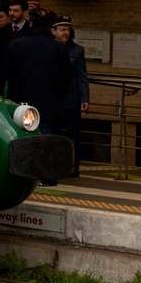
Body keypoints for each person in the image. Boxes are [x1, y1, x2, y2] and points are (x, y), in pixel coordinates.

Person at [0, 22, 76, 136]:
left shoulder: (15, 44)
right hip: (49, 106)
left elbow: (6, 73)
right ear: (50, 29)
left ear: (30, 23)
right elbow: (66, 79)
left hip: (20, 105)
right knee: (45, 143)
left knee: (20, 140)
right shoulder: (59, 48)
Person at [52, 18, 90, 171]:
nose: (65, 33)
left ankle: (73, 167)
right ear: (53, 31)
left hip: (71, 98)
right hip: (53, 98)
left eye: (67, 29)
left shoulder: (76, 50)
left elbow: (82, 76)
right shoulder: (50, 48)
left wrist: (85, 97)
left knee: (73, 133)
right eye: (62, 29)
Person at [0, 0, 41, 94]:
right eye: (10, 10)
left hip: (24, 83)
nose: (11, 13)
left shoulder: (31, 32)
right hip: (3, 82)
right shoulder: (2, 31)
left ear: (24, 12)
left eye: (16, 11)